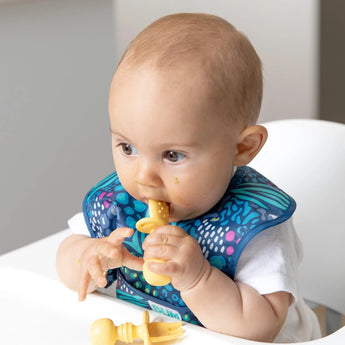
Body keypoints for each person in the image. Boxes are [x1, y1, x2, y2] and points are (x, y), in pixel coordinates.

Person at [56, 13, 321, 342]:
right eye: (128, 147)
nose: (144, 175)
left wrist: (198, 279)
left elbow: (262, 326)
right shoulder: (120, 204)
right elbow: (67, 256)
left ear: (242, 147)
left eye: (172, 155)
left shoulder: (256, 228)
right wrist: (89, 258)